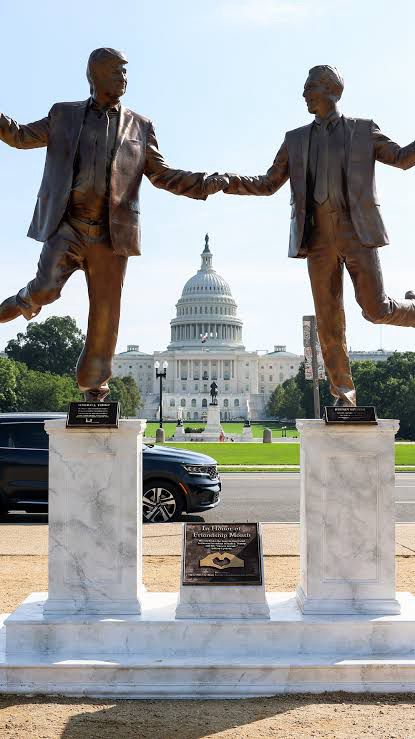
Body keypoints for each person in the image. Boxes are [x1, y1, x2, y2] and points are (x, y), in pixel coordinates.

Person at [0, 48, 226, 400]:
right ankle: (21, 301)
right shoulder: (64, 114)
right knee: (45, 289)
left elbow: (162, 174)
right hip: (68, 225)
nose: (124, 78)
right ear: (95, 75)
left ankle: (94, 385)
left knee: (105, 313)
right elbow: (19, 136)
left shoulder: (141, 125)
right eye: (118, 71)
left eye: (126, 72)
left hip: (111, 233)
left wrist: (201, 183)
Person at [220, 65, 415, 406]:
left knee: (376, 309)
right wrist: (226, 181)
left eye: (310, 87)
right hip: (318, 240)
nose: (304, 93)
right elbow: (267, 184)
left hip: (357, 233)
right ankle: (344, 395)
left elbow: (401, 158)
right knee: (328, 321)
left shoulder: (363, 130)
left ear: (332, 90)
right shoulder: (295, 139)